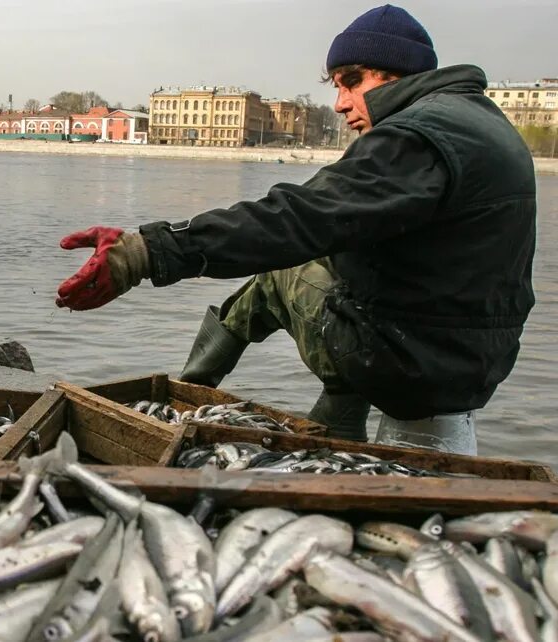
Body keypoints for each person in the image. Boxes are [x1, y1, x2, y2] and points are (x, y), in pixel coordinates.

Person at [54, 5, 536, 454]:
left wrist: (145, 253)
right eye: (336, 86)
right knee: (315, 260)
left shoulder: (416, 137)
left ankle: (189, 399)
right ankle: (297, 406)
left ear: (398, 73)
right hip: (469, 359)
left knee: (279, 271)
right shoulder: (480, 123)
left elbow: (298, 216)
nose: (342, 103)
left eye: (351, 81)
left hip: (409, 364)